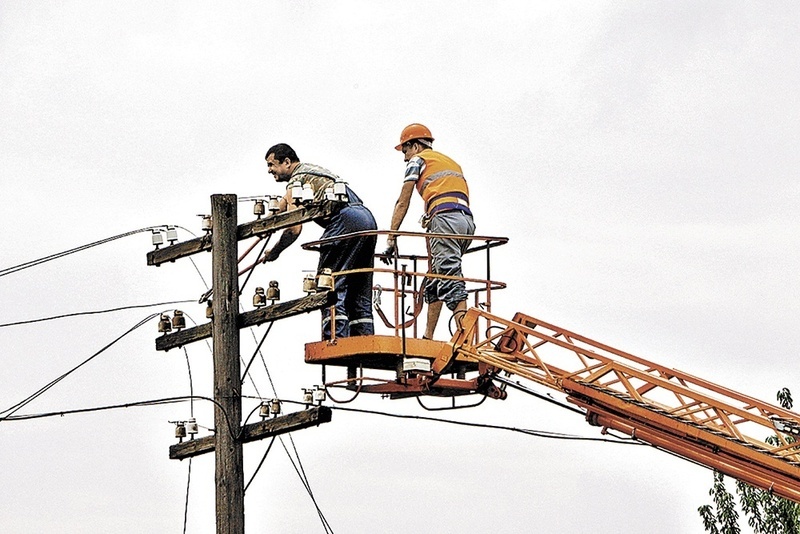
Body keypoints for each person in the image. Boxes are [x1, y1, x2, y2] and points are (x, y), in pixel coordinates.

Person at [263, 143, 377, 340]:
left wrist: (275, 251)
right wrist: (265, 224)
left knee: (329, 282)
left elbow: (293, 228)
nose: (269, 170)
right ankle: (364, 337)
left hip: (344, 221)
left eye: (271, 165)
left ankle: (335, 338)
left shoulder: (297, 181)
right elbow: (284, 203)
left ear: (287, 162)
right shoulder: (313, 172)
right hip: (367, 220)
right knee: (359, 283)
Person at [383, 124, 476, 339]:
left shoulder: (418, 161)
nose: (405, 157)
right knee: (436, 276)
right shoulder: (450, 161)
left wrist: (391, 238)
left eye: (405, 150)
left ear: (415, 146)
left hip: (445, 221)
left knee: (449, 276)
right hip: (465, 222)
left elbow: (402, 202)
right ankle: (428, 337)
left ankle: (465, 338)